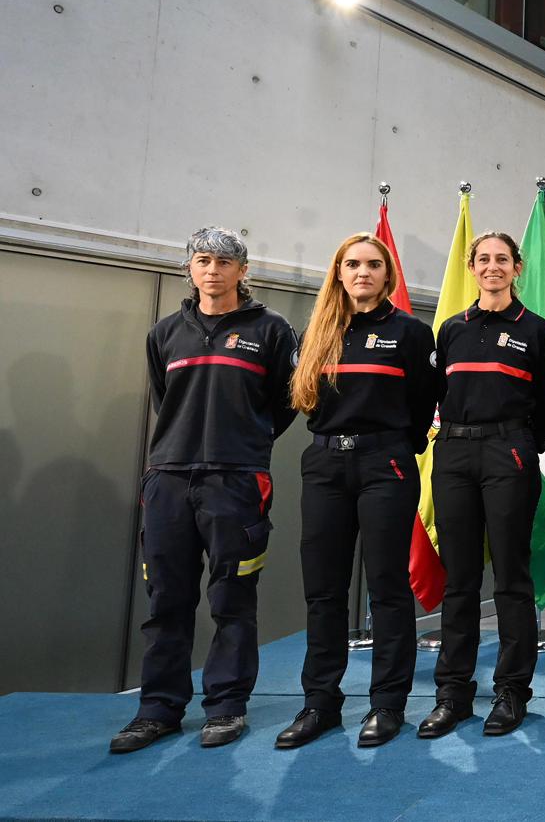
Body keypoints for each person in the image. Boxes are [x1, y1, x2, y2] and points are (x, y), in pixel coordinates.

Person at [111, 227, 297, 753]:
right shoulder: (165, 333)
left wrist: (246, 440)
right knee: (166, 599)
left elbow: (285, 403)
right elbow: (165, 398)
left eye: (223, 261)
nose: (211, 269)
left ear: (243, 270)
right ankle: (158, 710)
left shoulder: (273, 330)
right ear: (189, 269)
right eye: (202, 260)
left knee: (232, 597)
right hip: (168, 479)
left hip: (237, 481)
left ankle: (226, 706)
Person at [274, 233, 437, 749]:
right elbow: (301, 401)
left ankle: (387, 704)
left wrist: (389, 446)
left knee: (388, 587)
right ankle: (319, 703)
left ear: (387, 275)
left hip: (384, 461)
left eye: (373, 264)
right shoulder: (317, 332)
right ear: (338, 273)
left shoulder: (411, 332)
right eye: (352, 264)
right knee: (323, 589)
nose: (362, 272)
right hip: (324, 463)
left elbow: (422, 406)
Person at [419, 232, 545, 739]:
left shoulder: (536, 330)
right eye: (484, 259)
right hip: (453, 456)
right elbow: (436, 394)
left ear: (517, 268)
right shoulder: (452, 329)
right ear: (471, 267)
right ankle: (452, 694)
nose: (493, 267)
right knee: (460, 580)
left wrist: (520, 443)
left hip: (509, 454)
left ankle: (511, 691)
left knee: (511, 579)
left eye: (502, 259)